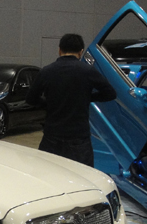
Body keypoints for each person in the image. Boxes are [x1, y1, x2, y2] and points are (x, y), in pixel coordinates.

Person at [26, 33, 116, 167]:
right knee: (82, 174)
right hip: (78, 138)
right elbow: (110, 93)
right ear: (81, 52)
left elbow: (30, 99)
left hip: (52, 136)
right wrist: (86, 98)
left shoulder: (47, 71)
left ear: (59, 50)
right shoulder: (88, 71)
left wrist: (48, 102)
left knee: (47, 172)